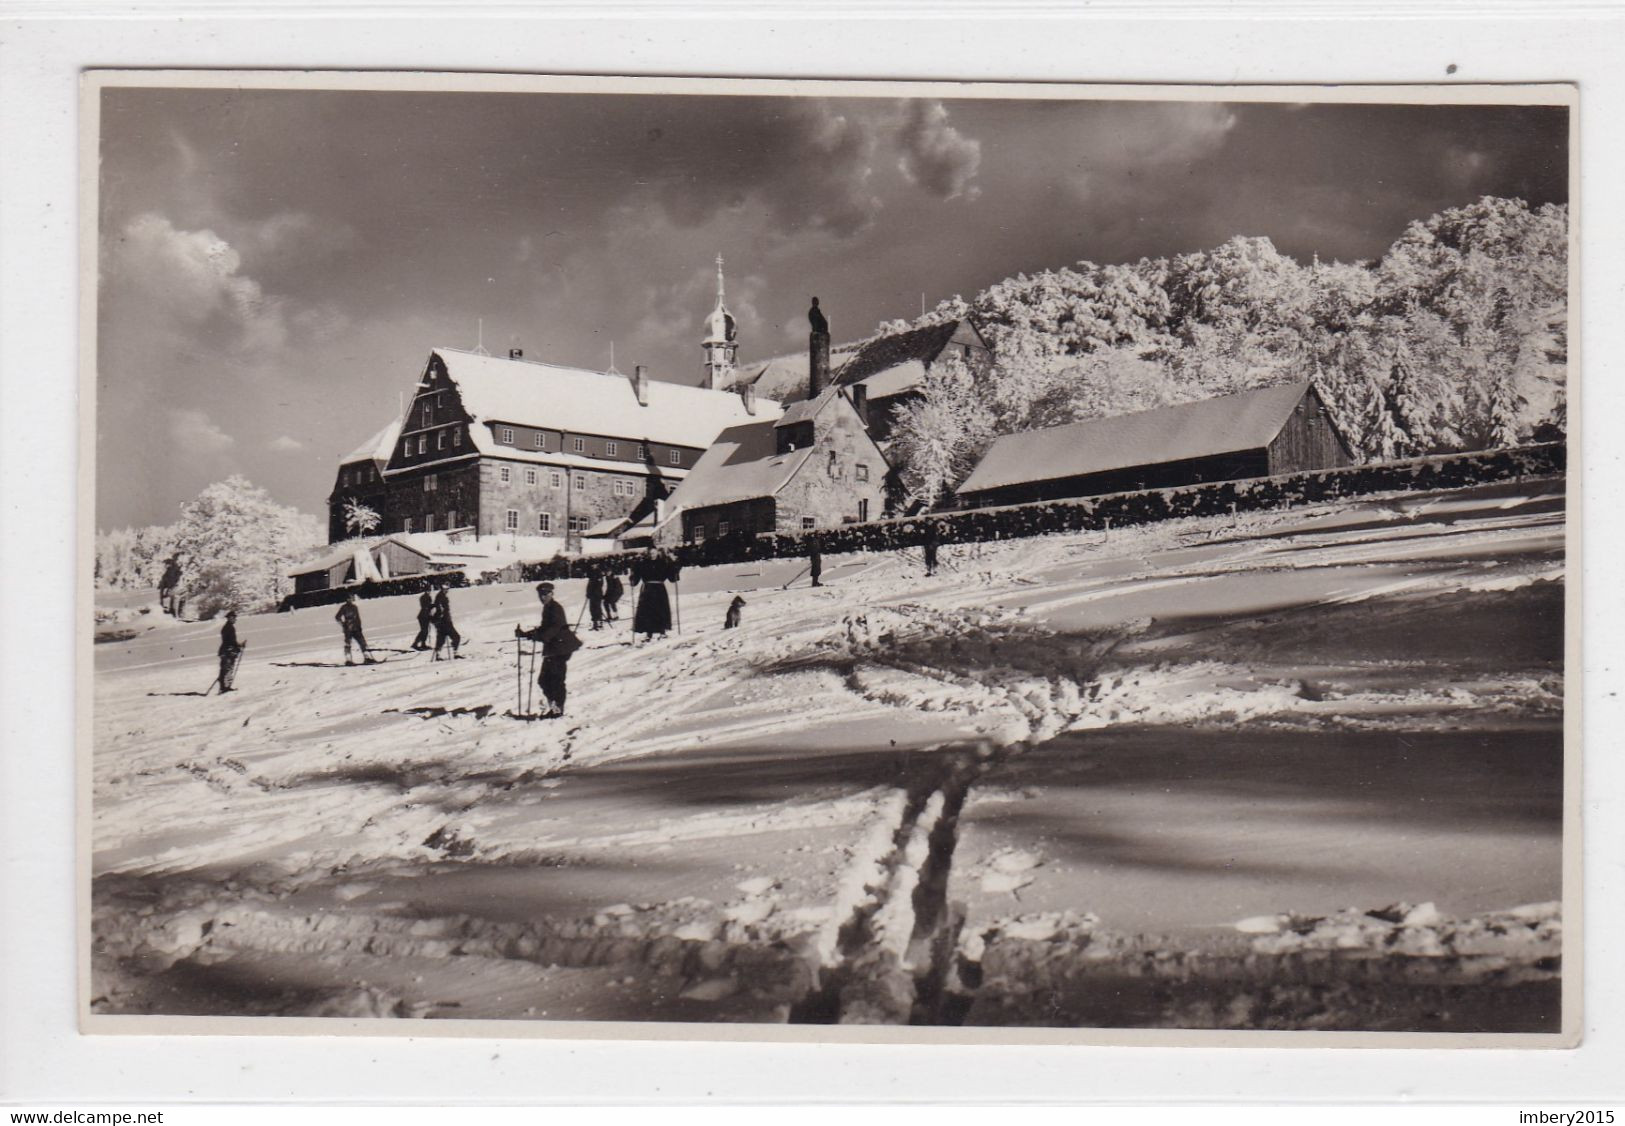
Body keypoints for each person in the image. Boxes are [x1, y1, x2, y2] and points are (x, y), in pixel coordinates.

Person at [516, 582, 578, 717]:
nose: (542, 597)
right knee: (544, 680)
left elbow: (553, 629)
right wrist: (526, 634)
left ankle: (557, 710)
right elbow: (544, 628)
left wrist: (538, 636)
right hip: (555, 648)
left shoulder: (555, 608)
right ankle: (555, 708)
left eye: (545, 594)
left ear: (551, 593)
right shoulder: (548, 607)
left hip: (561, 648)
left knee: (555, 680)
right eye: (540, 595)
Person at [630, 551, 675, 641]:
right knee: (647, 611)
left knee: (660, 610)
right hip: (648, 590)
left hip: (659, 590)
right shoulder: (643, 564)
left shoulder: (663, 563)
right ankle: (648, 633)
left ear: (657, 553)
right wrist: (633, 573)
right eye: (650, 553)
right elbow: (636, 579)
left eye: (653, 553)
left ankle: (662, 632)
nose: (652, 555)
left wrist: (674, 568)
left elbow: (671, 578)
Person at [335, 593, 376, 665]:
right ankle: (348, 660)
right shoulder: (343, 607)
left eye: (351, 598)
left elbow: (358, 618)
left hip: (356, 628)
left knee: (362, 643)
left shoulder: (355, 607)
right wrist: (343, 624)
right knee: (348, 644)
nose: (350, 599)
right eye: (349, 598)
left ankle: (367, 658)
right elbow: (337, 617)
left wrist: (359, 627)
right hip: (348, 629)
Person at [431, 581, 462, 660]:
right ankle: (456, 653)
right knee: (456, 637)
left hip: (441, 622)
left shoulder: (440, 596)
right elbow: (439, 609)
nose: (447, 590)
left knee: (441, 638)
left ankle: (438, 655)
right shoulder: (441, 597)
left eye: (448, 588)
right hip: (445, 622)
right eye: (446, 588)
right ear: (443, 588)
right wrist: (442, 617)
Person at [216, 609, 243, 693]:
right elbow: (229, 641)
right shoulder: (228, 628)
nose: (235, 619)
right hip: (227, 651)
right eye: (234, 617)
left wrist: (238, 646)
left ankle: (225, 686)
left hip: (227, 650)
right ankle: (224, 687)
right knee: (226, 669)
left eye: (235, 617)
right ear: (230, 618)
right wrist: (236, 647)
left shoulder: (229, 627)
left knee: (227, 669)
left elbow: (231, 641)